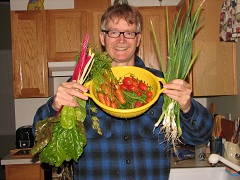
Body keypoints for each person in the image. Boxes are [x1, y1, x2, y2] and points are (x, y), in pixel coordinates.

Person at [33, 2, 214, 179]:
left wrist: (187, 107)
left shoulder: (161, 85)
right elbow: (39, 136)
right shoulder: (80, 85)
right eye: (113, 32)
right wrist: (55, 105)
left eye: (129, 32)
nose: (121, 39)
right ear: (103, 38)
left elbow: (201, 136)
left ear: (138, 39)